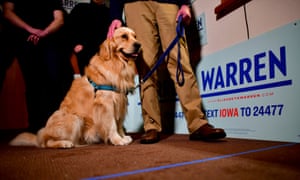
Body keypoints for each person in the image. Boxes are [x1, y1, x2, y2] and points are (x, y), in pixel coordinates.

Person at [107, 0, 226, 144]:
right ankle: (151, 126)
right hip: (135, 4)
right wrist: (115, 15)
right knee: (146, 66)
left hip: (168, 2)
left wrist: (184, 3)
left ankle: (198, 123)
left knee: (180, 60)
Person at [2, 0, 73, 133]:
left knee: (54, 79)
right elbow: (7, 12)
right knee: (33, 82)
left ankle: (54, 125)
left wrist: (44, 33)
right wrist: (31, 30)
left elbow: (59, 19)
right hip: (24, 38)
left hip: (49, 38)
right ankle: (35, 126)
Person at [65, 0, 110, 75]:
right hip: (86, 53)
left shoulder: (110, 12)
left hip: (105, 54)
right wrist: (74, 44)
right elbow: (70, 28)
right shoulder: (80, 8)